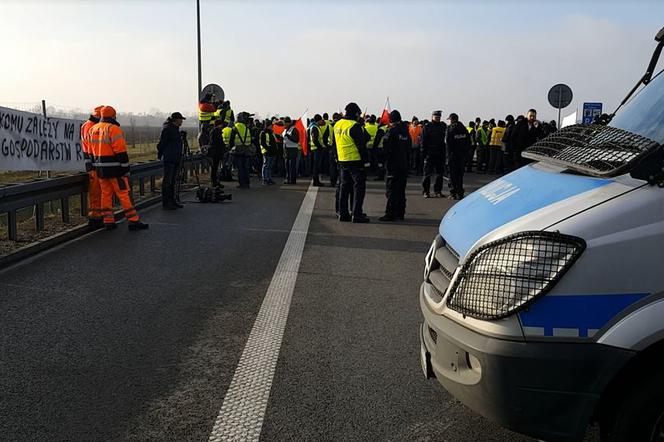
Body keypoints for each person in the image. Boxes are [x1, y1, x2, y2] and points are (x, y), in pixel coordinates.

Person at [89, 106, 148, 230]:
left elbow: (90, 152)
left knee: (106, 194)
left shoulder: (93, 129)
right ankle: (133, 220)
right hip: (116, 169)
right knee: (123, 194)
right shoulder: (113, 129)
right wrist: (126, 169)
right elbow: (121, 152)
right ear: (113, 116)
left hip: (100, 169)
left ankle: (108, 220)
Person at [334, 102, 370, 223]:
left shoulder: (337, 124)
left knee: (344, 188)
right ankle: (356, 213)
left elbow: (334, 144)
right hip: (356, 161)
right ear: (355, 113)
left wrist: (337, 157)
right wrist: (366, 162)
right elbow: (362, 146)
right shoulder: (354, 126)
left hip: (342, 160)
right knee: (358, 188)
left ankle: (343, 214)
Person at [379, 110, 410, 222]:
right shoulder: (405, 131)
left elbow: (386, 149)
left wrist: (381, 161)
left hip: (393, 166)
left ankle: (390, 213)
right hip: (403, 165)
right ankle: (400, 213)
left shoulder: (391, 132)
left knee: (391, 191)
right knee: (401, 190)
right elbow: (409, 149)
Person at [157, 112, 186, 209]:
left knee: (173, 181)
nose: (182, 121)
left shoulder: (175, 130)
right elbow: (161, 144)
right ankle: (166, 203)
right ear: (175, 120)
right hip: (170, 158)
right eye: (180, 119)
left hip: (176, 158)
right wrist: (162, 154)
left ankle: (172, 201)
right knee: (167, 182)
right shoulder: (167, 130)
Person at [80, 105, 104, 228]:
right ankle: (95, 218)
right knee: (96, 192)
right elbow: (92, 147)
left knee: (98, 192)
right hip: (94, 164)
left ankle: (98, 216)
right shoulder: (91, 126)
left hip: (92, 163)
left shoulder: (87, 125)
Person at [420, 110, 447, 198]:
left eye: (439, 117)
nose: (438, 118)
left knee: (440, 174)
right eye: (436, 117)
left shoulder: (443, 126)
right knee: (427, 174)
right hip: (429, 153)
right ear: (432, 117)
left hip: (440, 153)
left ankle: (438, 191)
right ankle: (426, 191)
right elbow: (423, 141)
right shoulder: (427, 127)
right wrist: (423, 154)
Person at [445, 113, 470, 200]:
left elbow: (448, 143)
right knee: (460, 176)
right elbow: (468, 143)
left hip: (453, 156)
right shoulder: (464, 129)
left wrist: (447, 157)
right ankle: (460, 193)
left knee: (452, 176)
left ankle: (453, 193)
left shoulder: (450, 129)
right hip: (462, 156)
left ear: (451, 119)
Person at [229, 112, 254, 188]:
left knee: (240, 168)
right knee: (245, 167)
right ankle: (247, 183)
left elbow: (231, 140)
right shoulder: (247, 127)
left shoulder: (235, 127)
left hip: (238, 150)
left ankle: (242, 183)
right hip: (247, 149)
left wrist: (230, 148)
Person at [308, 114, 326, 186]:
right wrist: (320, 147)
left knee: (316, 166)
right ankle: (316, 181)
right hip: (317, 149)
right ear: (319, 120)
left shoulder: (313, 126)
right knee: (316, 166)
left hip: (314, 148)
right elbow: (315, 139)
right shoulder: (315, 127)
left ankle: (316, 181)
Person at [208, 118, 226, 188]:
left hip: (215, 152)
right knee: (215, 168)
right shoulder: (217, 132)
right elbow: (219, 143)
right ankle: (214, 182)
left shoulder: (213, 131)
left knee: (215, 168)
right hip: (216, 153)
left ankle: (215, 182)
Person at [282, 117, 300, 184]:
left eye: (285, 123)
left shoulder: (294, 129)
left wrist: (289, 136)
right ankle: (288, 179)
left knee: (291, 166)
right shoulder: (285, 130)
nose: (284, 125)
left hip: (292, 150)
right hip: (286, 150)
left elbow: (296, 139)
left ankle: (292, 180)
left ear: (288, 123)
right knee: (287, 166)